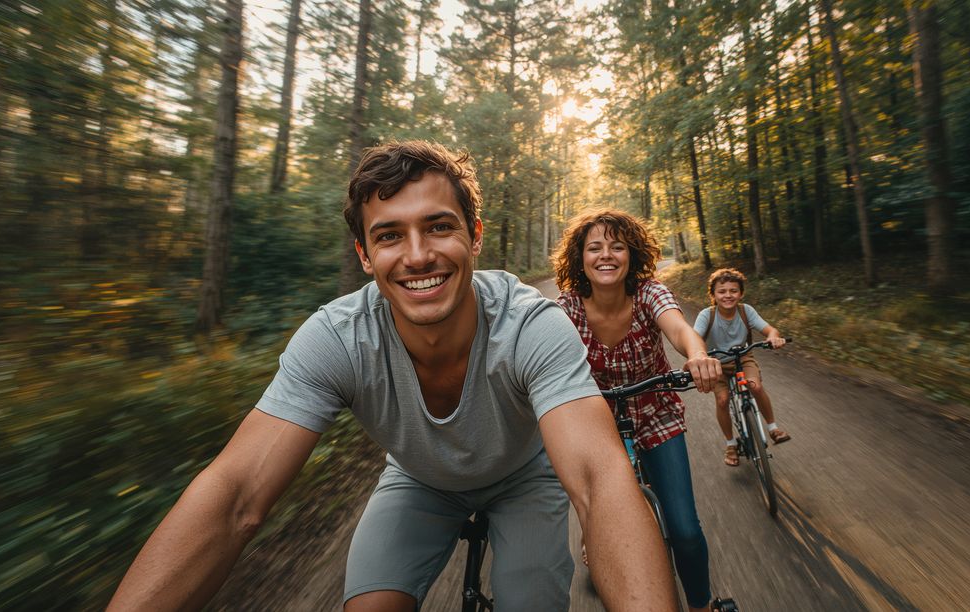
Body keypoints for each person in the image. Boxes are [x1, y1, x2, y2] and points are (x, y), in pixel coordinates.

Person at [107, 141, 679, 612]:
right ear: (364, 253)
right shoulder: (337, 337)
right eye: (388, 236)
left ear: (474, 235)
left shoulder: (533, 322)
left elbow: (601, 481)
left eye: (438, 227)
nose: (417, 255)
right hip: (419, 480)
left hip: (525, 477)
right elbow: (235, 497)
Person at [552, 209, 725, 612]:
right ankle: (592, 531)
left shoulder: (650, 293)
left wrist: (698, 354)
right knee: (600, 514)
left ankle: (701, 604)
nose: (606, 255)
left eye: (617, 246)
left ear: (631, 255)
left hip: (656, 414)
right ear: (580, 258)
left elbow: (680, 329)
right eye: (594, 247)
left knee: (684, 529)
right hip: (595, 424)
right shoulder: (567, 309)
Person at [692, 268, 790, 468]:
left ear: (741, 293)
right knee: (722, 399)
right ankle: (730, 444)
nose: (728, 295)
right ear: (713, 294)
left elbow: (769, 329)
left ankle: (773, 428)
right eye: (722, 291)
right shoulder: (706, 315)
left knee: (755, 386)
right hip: (716, 362)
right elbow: (694, 339)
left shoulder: (746, 311)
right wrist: (699, 356)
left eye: (733, 290)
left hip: (742, 358)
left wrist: (773, 338)